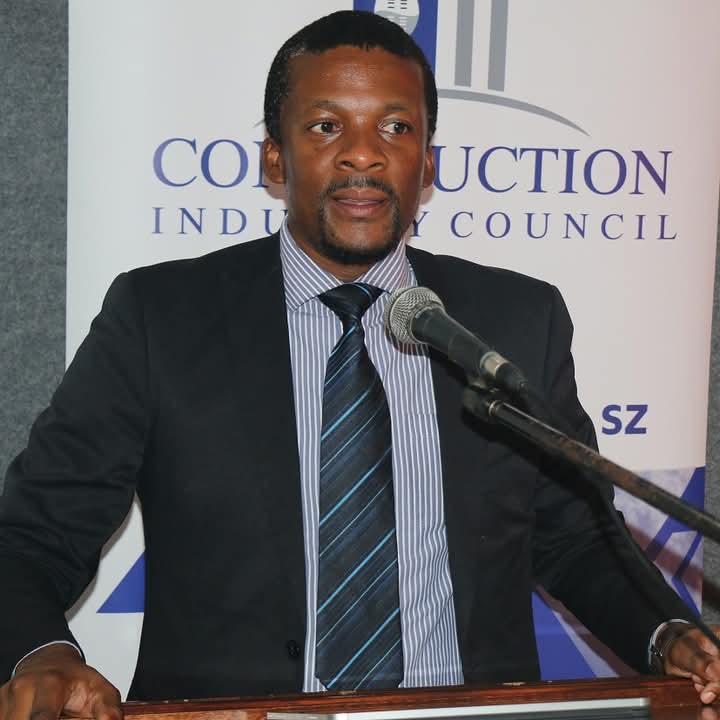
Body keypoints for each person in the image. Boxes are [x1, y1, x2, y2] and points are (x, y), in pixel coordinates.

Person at [1, 9, 719, 719]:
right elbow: (33, 535)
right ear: (274, 159)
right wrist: (42, 653)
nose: (364, 155)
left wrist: (668, 634)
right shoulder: (160, 317)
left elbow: (577, 536)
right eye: (326, 126)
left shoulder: (514, 322)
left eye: (396, 128)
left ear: (427, 163)